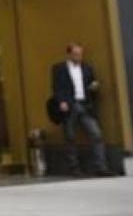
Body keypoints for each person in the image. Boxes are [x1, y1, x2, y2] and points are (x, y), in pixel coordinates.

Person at [50, 42, 110, 176]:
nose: (79, 57)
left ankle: (101, 167)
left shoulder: (87, 68)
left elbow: (92, 83)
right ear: (69, 54)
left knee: (96, 134)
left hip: (84, 105)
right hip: (70, 105)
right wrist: (62, 101)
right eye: (76, 54)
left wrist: (93, 87)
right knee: (70, 137)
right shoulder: (59, 68)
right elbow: (56, 87)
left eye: (80, 54)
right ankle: (74, 168)